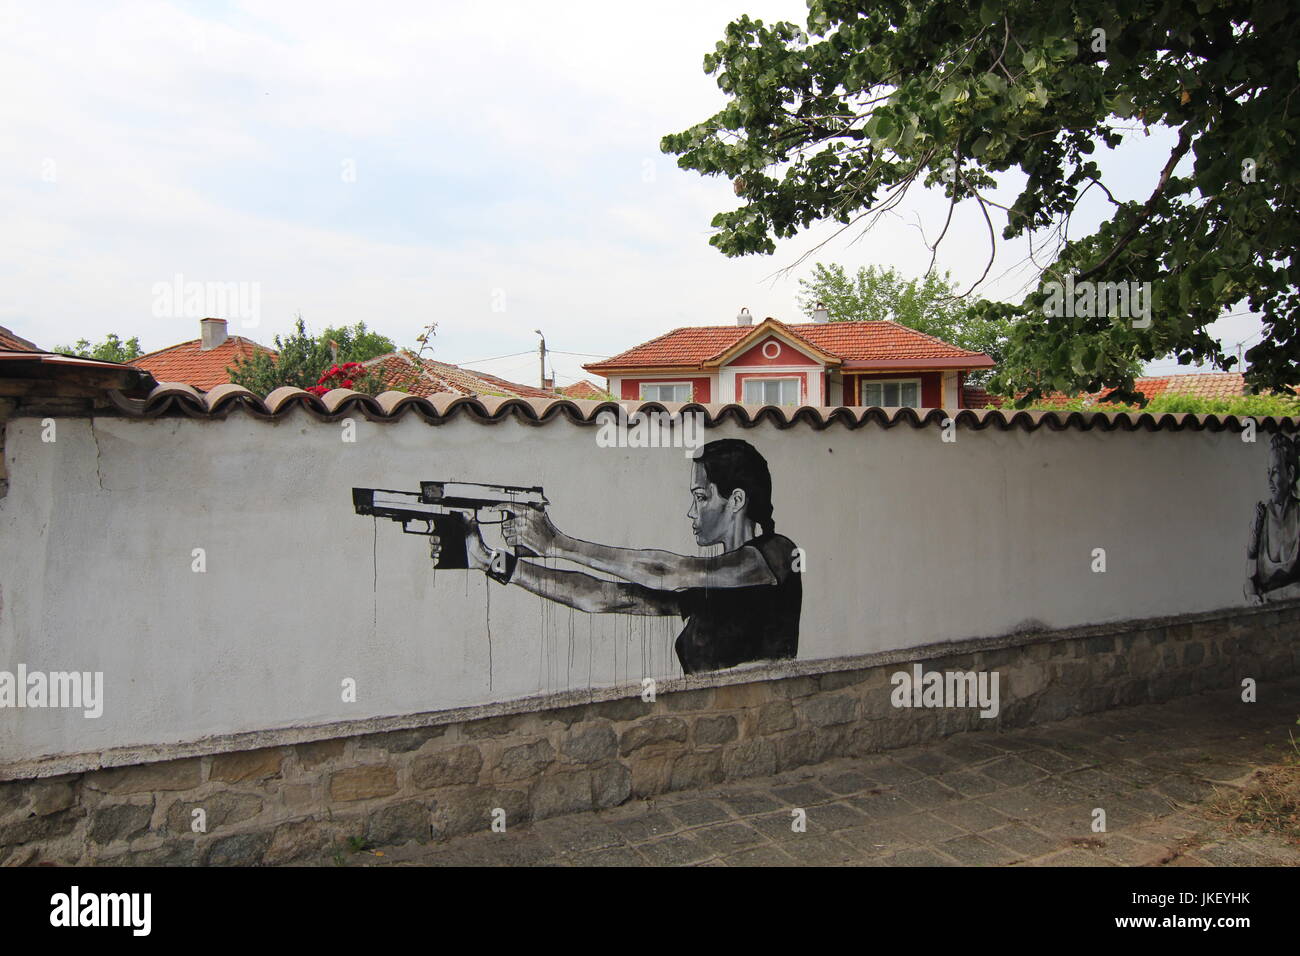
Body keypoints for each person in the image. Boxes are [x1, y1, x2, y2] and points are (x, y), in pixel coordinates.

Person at [431, 439, 801, 674]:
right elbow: (604, 598)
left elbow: (668, 571)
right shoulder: (711, 582)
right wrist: (493, 561)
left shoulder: (777, 554)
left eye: (701, 497)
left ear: (736, 500)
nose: (692, 511)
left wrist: (559, 544)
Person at [1245, 432, 1300, 602]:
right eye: (1268, 472)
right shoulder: (1261, 518)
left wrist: (1268, 597)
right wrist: (1253, 595)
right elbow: (1249, 580)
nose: (1269, 480)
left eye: (1275, 472)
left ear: (1290, 474)